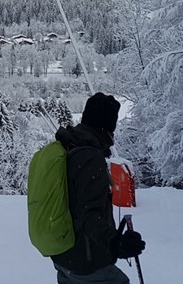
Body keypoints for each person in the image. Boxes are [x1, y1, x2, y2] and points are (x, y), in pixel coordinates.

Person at [50, 92, 145, 284]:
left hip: (64, 256)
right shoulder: (89, 159)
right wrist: (115, 242)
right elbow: (89, 213)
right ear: (107, 128)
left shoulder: (68, 147)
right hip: (87, 261)